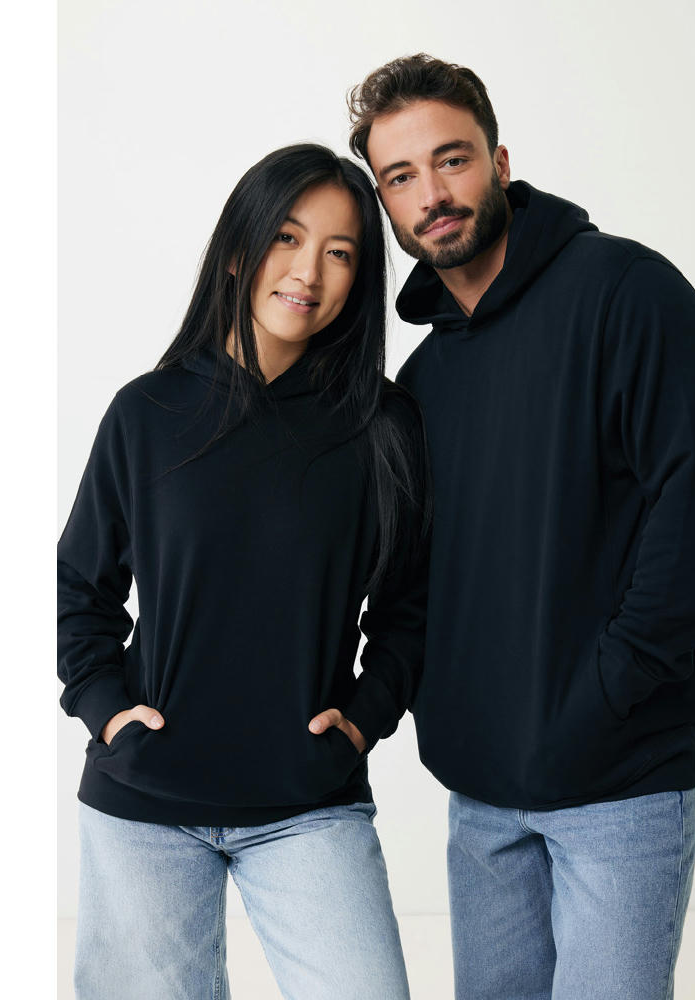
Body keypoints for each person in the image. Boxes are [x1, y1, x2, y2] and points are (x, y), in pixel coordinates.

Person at [347, 54, 695, 1000]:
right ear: (385, 204)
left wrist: (604, 697)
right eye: (401, 177)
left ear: (500, 162)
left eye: (452, 159)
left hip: (623, 783)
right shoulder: (422, 384)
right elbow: (413, 586)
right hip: (482, 800)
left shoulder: (628, 294)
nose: (432, 195)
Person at [57, 143, 428, 1000]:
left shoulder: (382, 425)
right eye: (287, 239)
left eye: (340, 252)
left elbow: (411, 606)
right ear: (237, 250)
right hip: (145, 803)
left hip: (308, 803)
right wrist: (107, 711)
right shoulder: (147, 412)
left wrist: (366, 718)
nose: (308, 272)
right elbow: (80, 589)